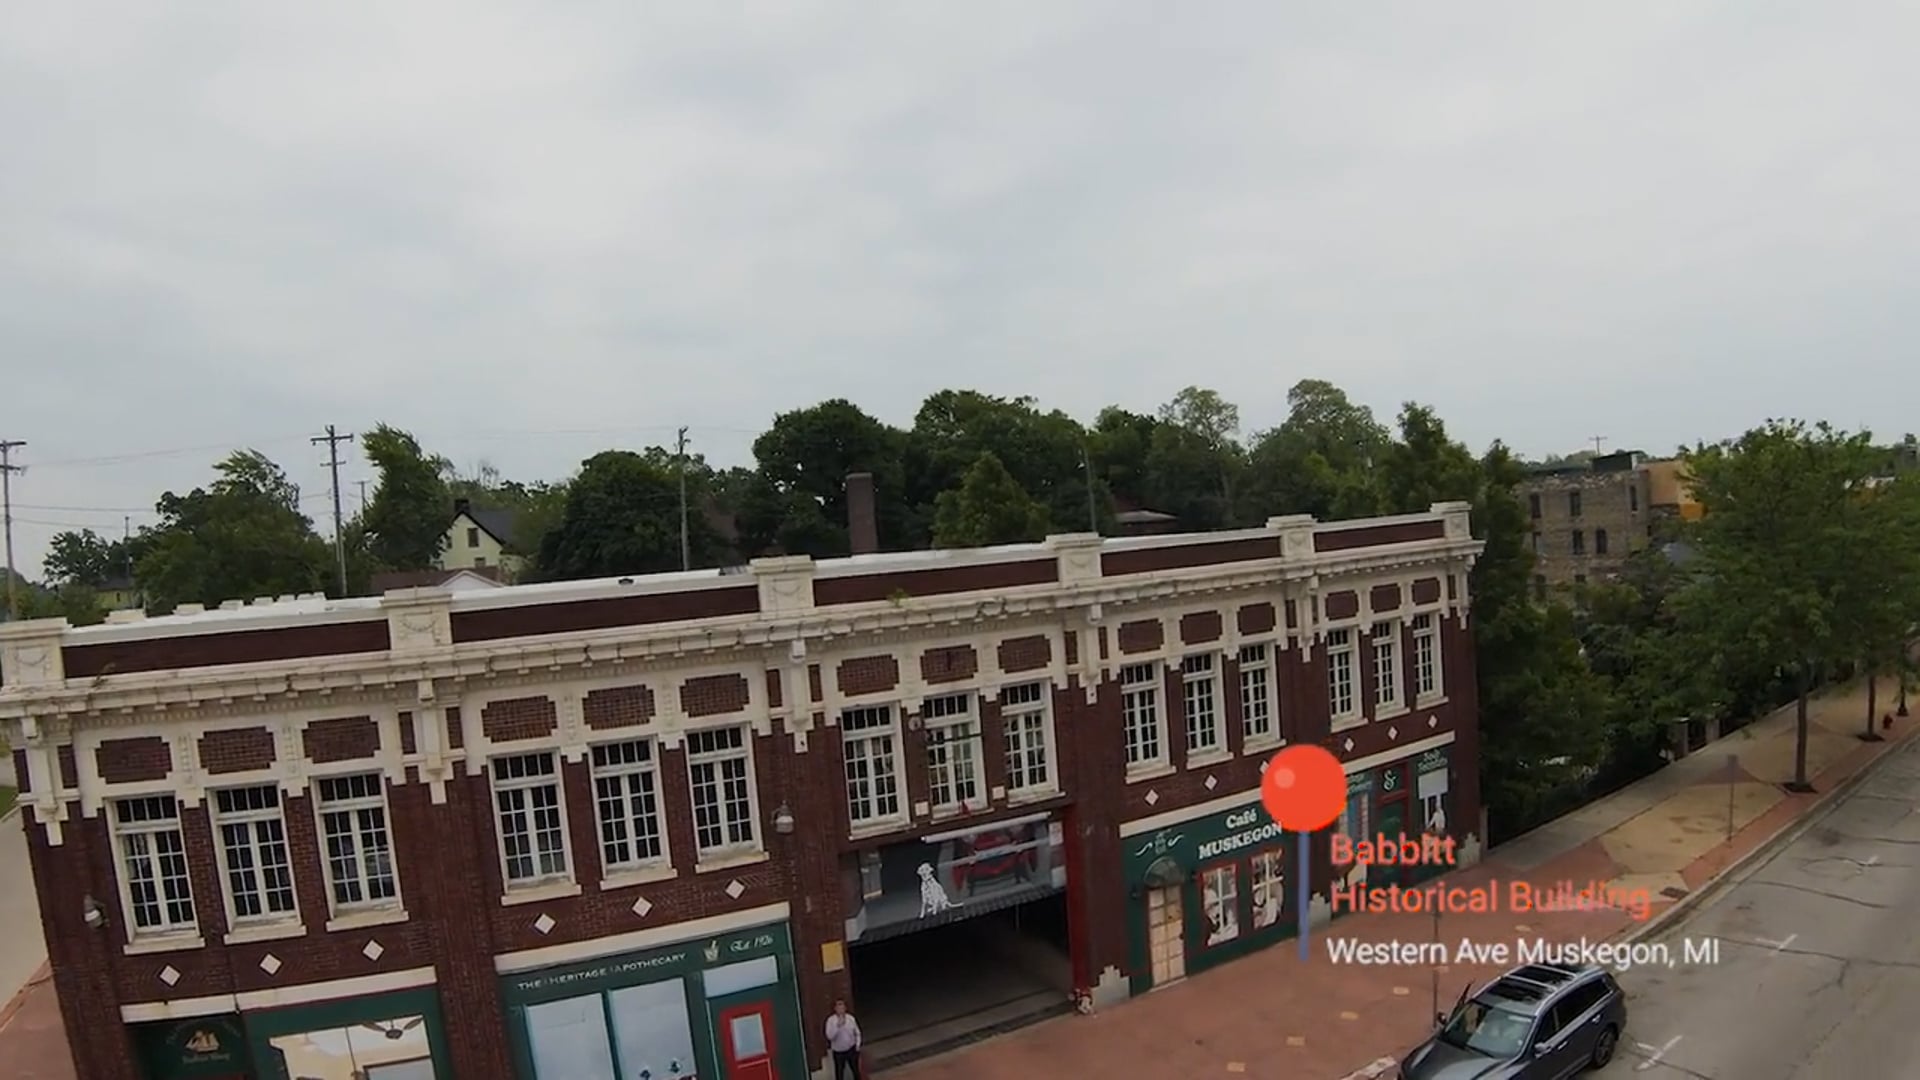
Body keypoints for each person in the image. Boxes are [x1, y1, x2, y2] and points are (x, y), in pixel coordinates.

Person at [825, 999, 863, 1079]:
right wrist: (838, 1026)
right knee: (839, 1073)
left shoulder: (851, 1018)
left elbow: (857, 1032)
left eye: (842, 1006)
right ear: (835, 1009)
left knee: (856, 1071)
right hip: (839, 1052)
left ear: (845, 1008)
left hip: (851, 1050)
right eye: (838, 1007)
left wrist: (857, 1045)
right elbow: (830, 1036)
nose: (841, 1009)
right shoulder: (830, 1021)